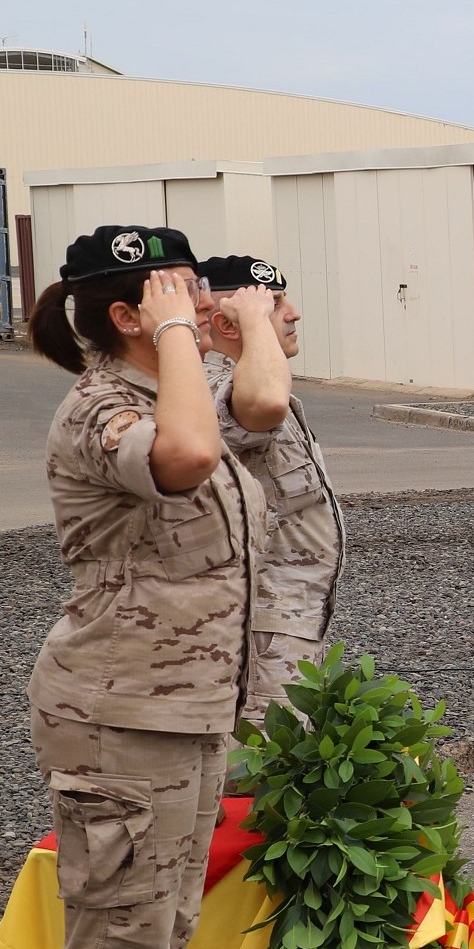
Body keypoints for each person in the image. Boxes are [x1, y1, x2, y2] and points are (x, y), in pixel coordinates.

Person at [25, 226, 265, 949]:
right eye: (177, 292)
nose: (203, 304)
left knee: (155, 930)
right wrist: (178, 333)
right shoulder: (101, 410)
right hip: (120, 715)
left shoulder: (163, 398)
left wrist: (229, 329)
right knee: (116, 940)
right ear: (127, 316)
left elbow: (252, 408)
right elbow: (191, 455)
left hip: (179, 711)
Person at [197, 255, 346, 717]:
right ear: (230, 322)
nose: (293, 313)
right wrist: (255, 322)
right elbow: (263, 404)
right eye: (274, 305)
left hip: (288, 623)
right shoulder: (216, 384)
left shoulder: (247, 380)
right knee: (256, 772)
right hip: (258, 635)